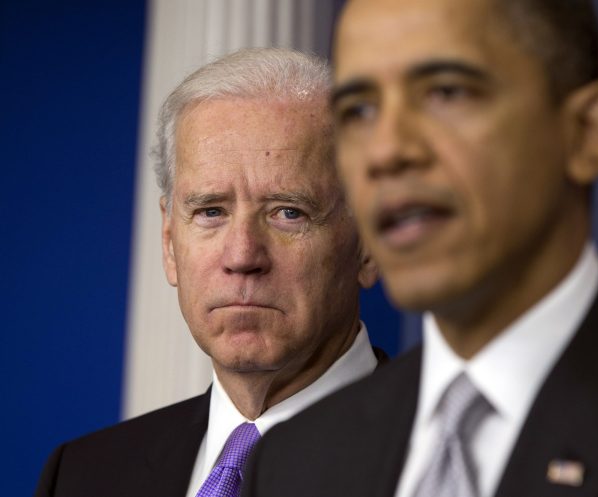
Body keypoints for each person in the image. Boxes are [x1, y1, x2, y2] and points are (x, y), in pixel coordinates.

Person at [242, 1, 598, 496]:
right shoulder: (294, 462)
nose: (386, 151)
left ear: (589, 132)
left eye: (446, 92)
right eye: (358, 111)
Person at [34, 47, 383, 497]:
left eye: (289, 213)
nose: (241, 256)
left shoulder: (455, 463)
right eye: (211, 211)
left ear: (370, 244)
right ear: (168, 242)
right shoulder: (82, 476)